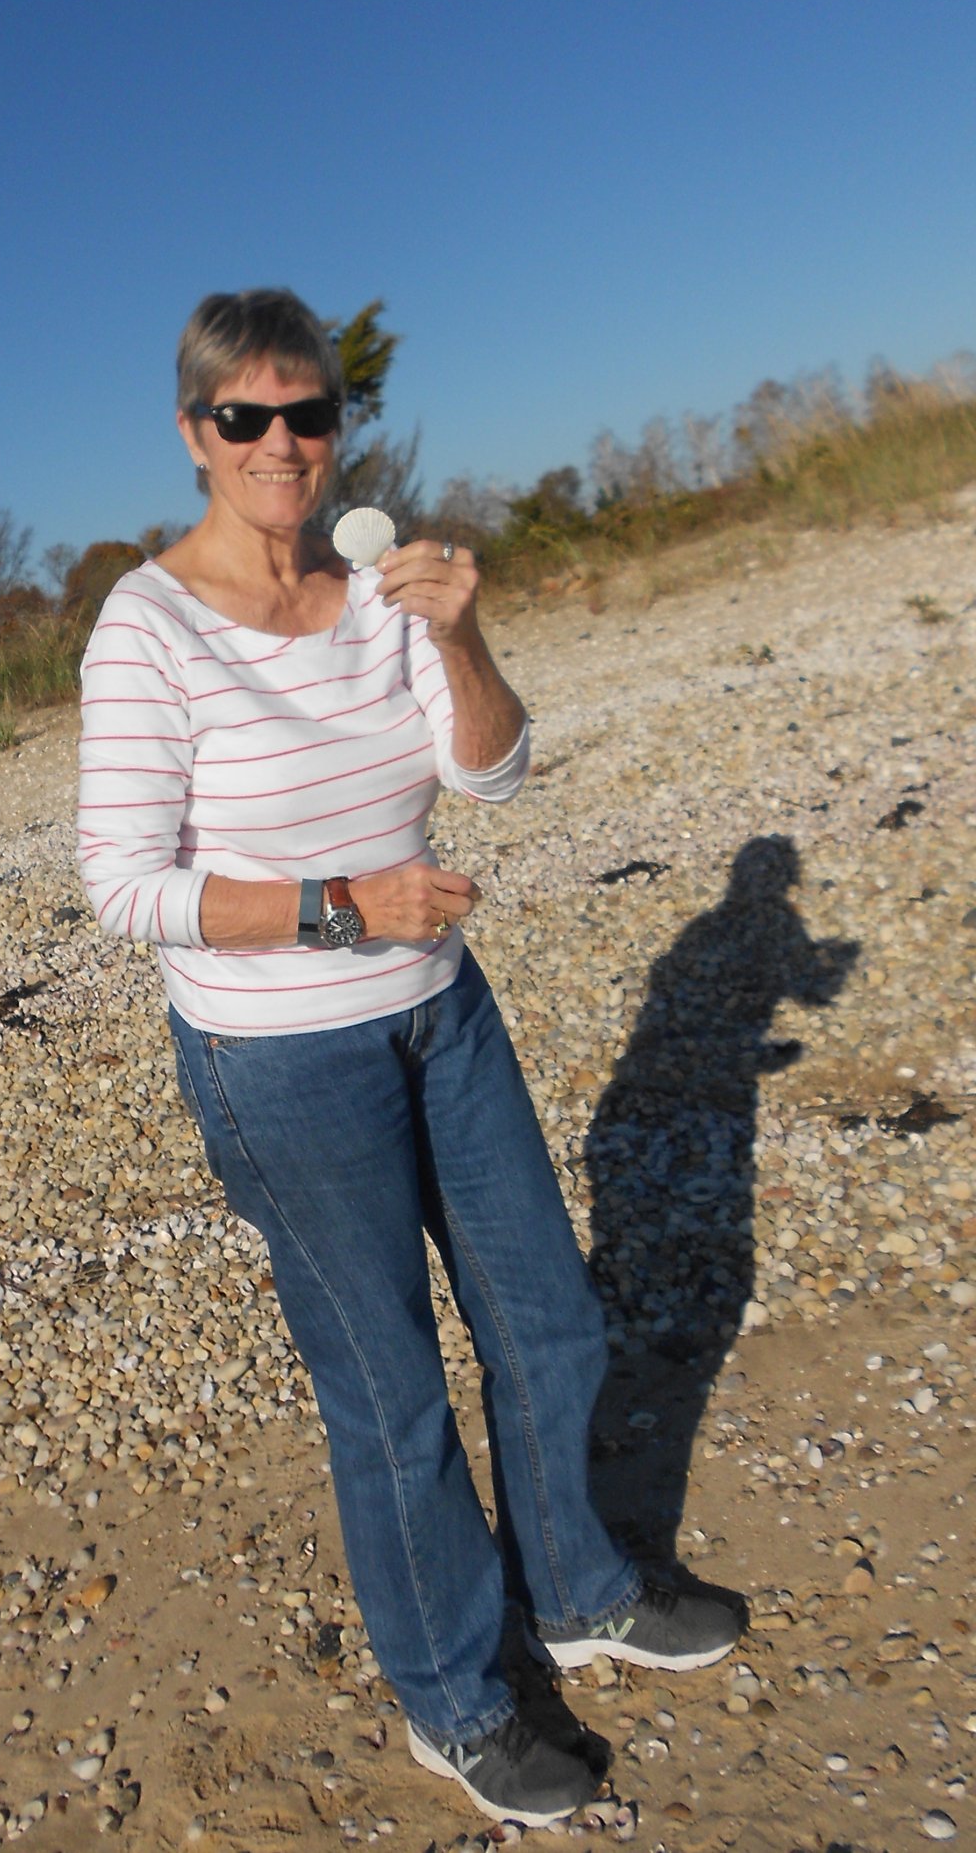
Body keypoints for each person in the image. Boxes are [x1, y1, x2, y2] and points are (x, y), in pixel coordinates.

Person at [77, 287, 743, 1827]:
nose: (283, 444)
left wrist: (465, 637)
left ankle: (579, 1589)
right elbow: (124, 887)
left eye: (309, 413)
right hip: (282, 1058)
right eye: (245, 417)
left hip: (443, 1009)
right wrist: (340, 905)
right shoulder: (148, 624)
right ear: (194, 436)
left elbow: (495, 775)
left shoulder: (383, 589)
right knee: (392, 1395)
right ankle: (456, 1699)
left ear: (337, 429)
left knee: (553, 1320)